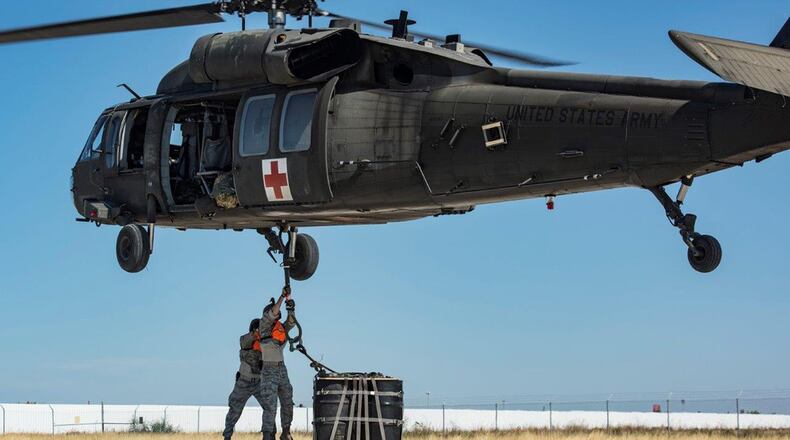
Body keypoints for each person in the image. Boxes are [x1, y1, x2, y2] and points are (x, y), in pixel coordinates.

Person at [259, 286, 297, 440]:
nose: (276, 313)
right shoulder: (264, 326)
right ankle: (268, 435)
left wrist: (291, 308)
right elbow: (273, 312)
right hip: (268, 370)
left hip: (282, 370)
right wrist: (282, 297)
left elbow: (292, 322)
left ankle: (286, 432)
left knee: (288, 401)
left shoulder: (280, 329)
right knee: (270, 406)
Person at [223, 318, 267, 440]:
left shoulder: (265, 343)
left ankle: (268, 435)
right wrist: (257, 332)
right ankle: (227, 436)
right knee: (235, 410)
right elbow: (245, 341)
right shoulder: (246, 340)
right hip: (244, 382)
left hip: (259, 382)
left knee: (269, 408)